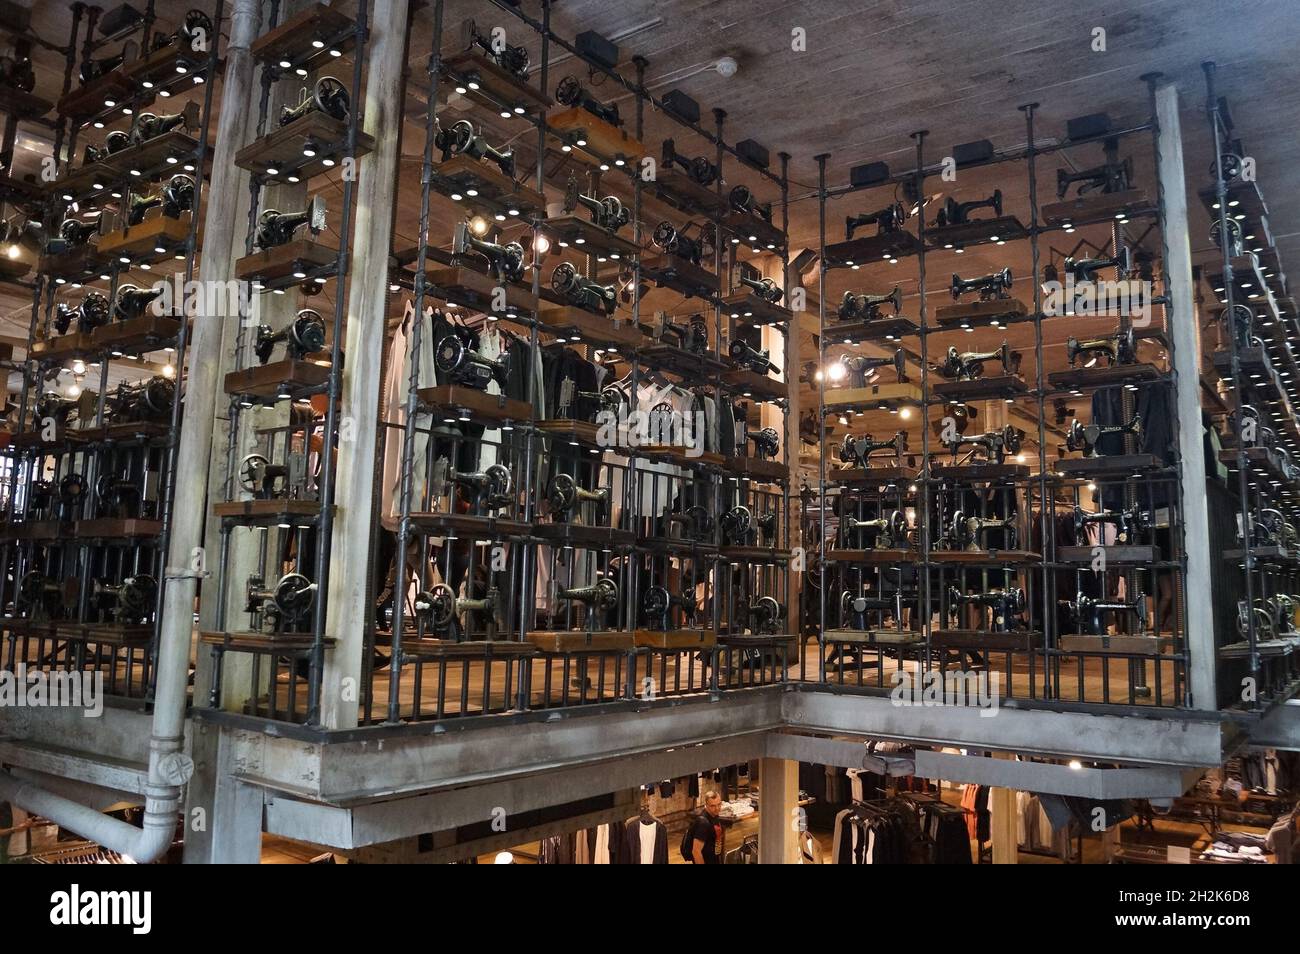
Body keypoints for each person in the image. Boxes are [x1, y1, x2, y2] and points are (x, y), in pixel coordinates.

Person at [689, 791, 725, 864]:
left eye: (719, 804)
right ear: (706, 805)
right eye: (713, 806)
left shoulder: (714, 815)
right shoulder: (703, 823)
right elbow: (696, 852)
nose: (717, 808)